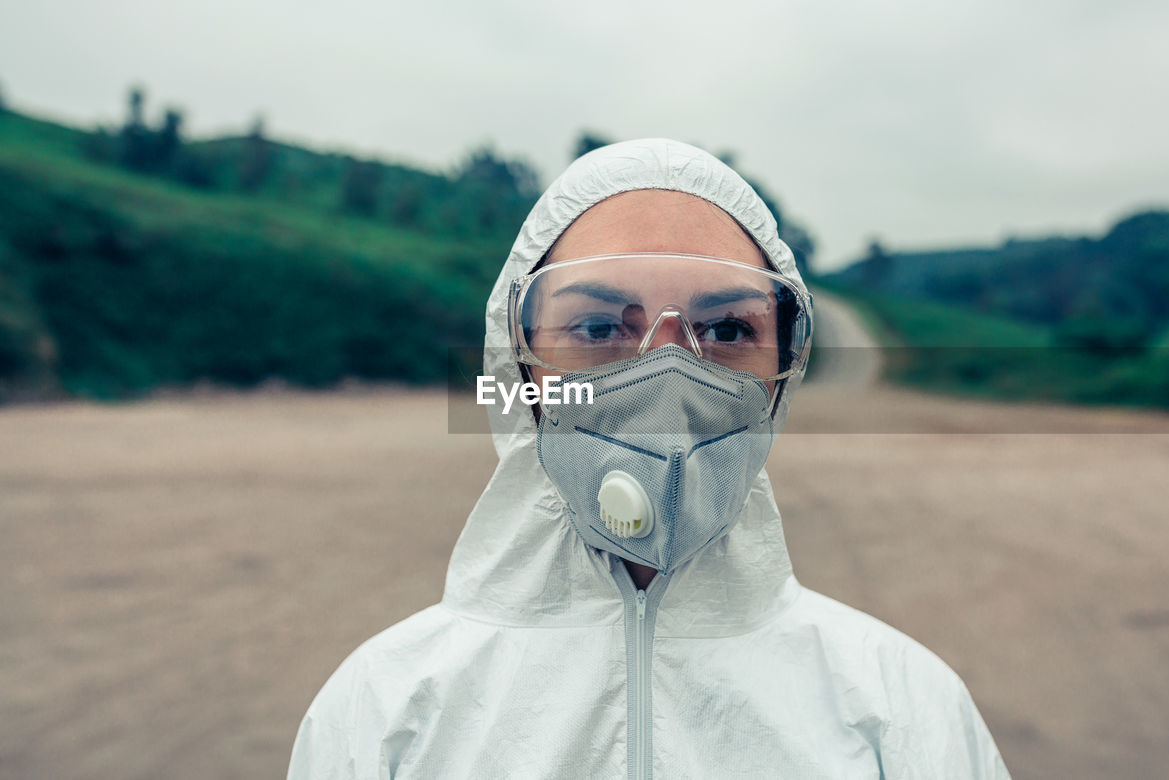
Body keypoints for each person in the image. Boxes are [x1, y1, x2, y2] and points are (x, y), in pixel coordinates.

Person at [287, 139, 1010, 778]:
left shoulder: (903, 709)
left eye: (726, 328)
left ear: (781, 375)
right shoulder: (383, 711)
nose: (667, 374)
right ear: (518, 370)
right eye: (599, 325)